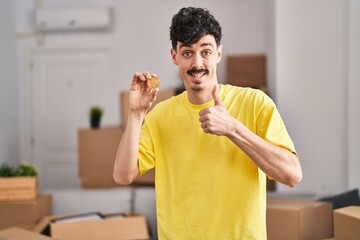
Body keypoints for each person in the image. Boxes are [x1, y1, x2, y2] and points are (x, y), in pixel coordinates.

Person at [113, 7, 302, 239]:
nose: (197, 63)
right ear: (174, 56)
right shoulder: (160, 116)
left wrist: (233, 128)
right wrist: (135, 113)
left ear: (218, 54)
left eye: (206, 51)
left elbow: (292, 175)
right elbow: (123, 176)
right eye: (187, 53)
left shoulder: (255, 103)